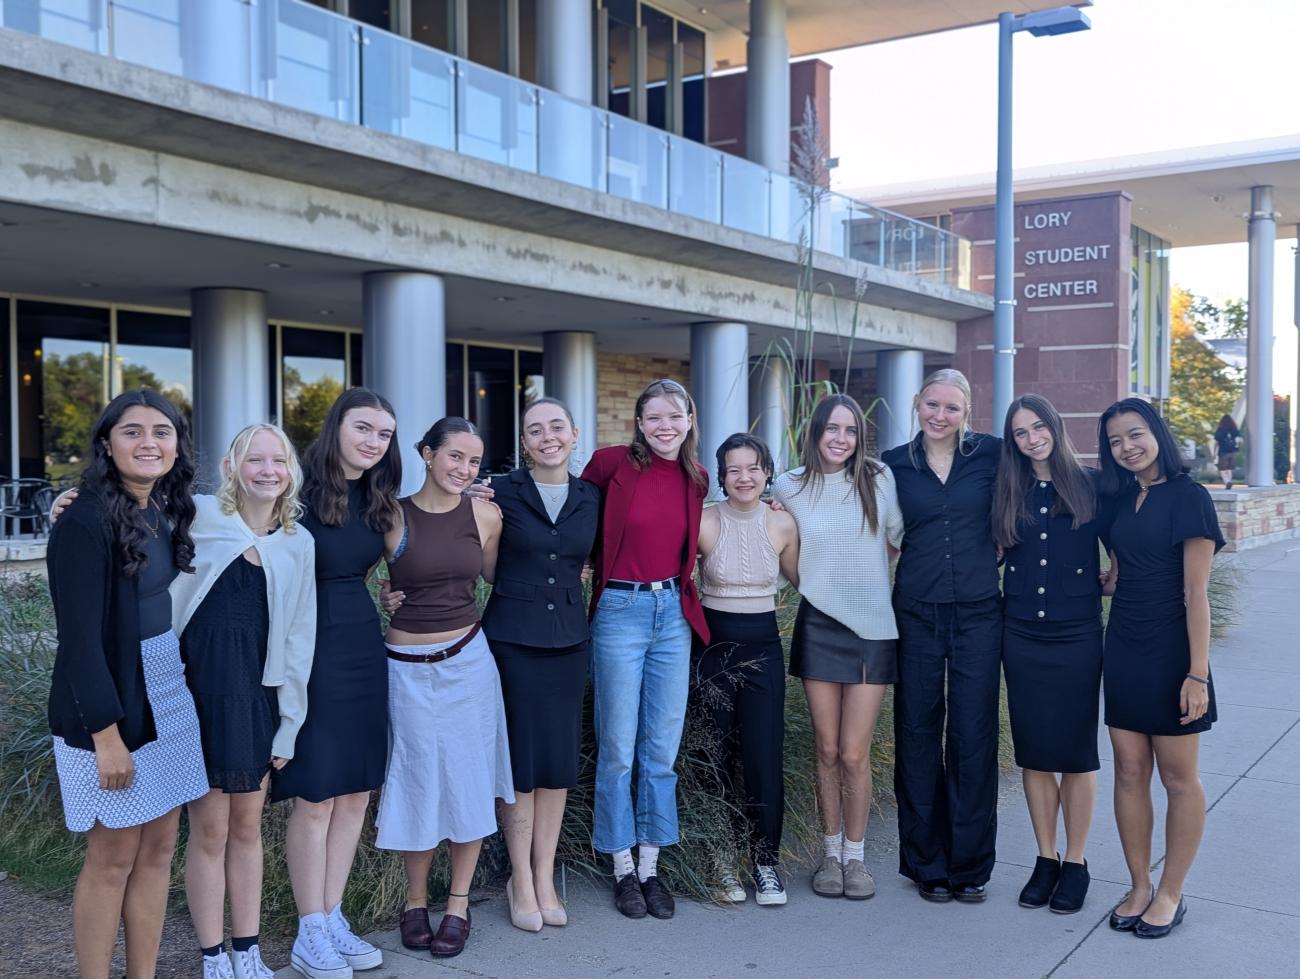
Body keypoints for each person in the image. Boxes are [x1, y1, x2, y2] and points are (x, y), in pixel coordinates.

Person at [46, 389, 209, 979]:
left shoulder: (163, 507)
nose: (149, 443)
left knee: (160, 848)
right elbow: (80, 641)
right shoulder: (85, 518)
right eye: (133, 431)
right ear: (107, 443)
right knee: (112, 856)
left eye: (161, 432)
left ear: (176, 445)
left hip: (165, 685)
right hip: (109, 697)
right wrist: (106, 738)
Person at [173, 425, 317, 979]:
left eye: (276, 460)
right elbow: (127, 511)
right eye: (253, 459)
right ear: (232, 466)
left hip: (257, 700)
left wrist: (290, 722)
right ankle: (212, 958)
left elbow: (299, 638)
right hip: (196, 698)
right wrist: (72, 501)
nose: (266, 470)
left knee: (247, 829)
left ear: (290, 471)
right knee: (208, 831)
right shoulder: (199, 516)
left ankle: (248, 951)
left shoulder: (298, 543)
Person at [271, 388, 402, 979]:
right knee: (317, 794)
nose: (374, 441)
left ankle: (332, 915)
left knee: (355, 792)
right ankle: (308, 929)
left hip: (361, 646)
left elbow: (371, 566)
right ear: (336, 427)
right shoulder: (292, 487)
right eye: (364, 428)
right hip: (308, 650)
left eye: (384, 433)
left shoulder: (378, 498)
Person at [376, 417, 510, 960]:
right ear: (427, 453)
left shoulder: (485, 515)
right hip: (405, 666)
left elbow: (500, 579)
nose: (464, 469)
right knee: (415, 778)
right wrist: (384, 598)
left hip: (468, 664)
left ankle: (457, 904)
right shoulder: (390, 514)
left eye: (474, 461)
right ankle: (414, 902)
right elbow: (350, 573)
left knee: (468, 779)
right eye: (455, 456)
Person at [581, 378, 710, 921]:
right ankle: (622, 869)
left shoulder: (696, 477)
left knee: (660, 749)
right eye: (654, 417)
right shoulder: (611, 464)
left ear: (689, 421)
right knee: (617, 747)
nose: (665, 426)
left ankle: (652, 865)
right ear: (639, 422)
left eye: (674, 417)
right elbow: (568, 512)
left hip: (672, 615)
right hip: (619, 611)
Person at [1098, 397, 1222, 939]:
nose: (1127, 447)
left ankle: (1170, 890)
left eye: (1135, 434)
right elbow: (1122, 570)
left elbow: (1197, 592)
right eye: (1116, 441)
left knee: (1177, 778)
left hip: (1174, 651)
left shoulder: (1190, 497)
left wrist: (1197, 673)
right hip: (1123, 644)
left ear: (1157, 434)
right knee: (1128, 771)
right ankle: (1139, 885)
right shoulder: (1123, 500)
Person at [773, 395, 903, 902]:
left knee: (853, 752)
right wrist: (807, 582)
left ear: (859, 437)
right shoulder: (789, 485)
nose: (840, 439)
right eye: (831, 429)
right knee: (826, 749)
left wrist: (866, 583)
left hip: (872, 626)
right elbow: (774, 537)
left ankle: (856, 856)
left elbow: (896, 540)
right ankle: (830, 855)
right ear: (815, 432)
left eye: (849, 430)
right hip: (819, 624)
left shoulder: (878, 479)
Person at [881, 368, 1002, 904]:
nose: (939, 415)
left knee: (974, 735)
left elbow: (1055, 478)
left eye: (951, 407)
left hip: (979, 611)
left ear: (967, 411)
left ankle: (970, 866)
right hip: (916, 612)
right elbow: (838, 496)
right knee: (917, 732)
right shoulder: (892, 465)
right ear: (916, 403)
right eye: (932, 404)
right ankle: (927, 863)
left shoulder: (995, 456)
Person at [480, 399, 600, 930]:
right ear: (523, 441)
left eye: (556, 427)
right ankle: (519, 879)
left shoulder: (591, 496)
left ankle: (545, 874)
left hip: (570, 642)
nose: (547, 436)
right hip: (512, 640)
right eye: (535, 429)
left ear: (574, 434)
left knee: (556, 766)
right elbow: (477, 560)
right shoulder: (496, 492)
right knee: (521, 765)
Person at [992, 395, 1110, 916]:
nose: (1032, 437)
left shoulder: (1091, 484)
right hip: (1020, 635)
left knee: (1077, 755)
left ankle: (1077, 863)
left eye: (1039, 426)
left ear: (1055, 426)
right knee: (1035, 753)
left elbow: (1125, 544)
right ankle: (1045, 859)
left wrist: (1112, 582)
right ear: (1013, 441)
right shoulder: (1006, 489)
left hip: (1077, 635)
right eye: (1021, 432)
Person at [694, 433, 800, 907]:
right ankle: (718, 858)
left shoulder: (782, 525)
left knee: (761, 758)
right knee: (713, 756)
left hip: (764, 650)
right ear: (721, 476)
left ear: (767, 472)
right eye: (733, 469)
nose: (744, 477)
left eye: (753, 467)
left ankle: (764, 861)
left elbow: (807, 580)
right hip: (713, 649)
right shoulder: (703, 522)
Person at [1213, 415, 1240, 489]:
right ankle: (1229, 481)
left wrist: (1214, 453)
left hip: (1223, 452)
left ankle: (1227, 482)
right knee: (1229, 469)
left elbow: (1216, 443)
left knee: (1222, 469)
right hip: (1232, 452)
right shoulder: (1234, 429)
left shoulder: (1220, 429)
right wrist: (1237, 449)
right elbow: (1239, 440)